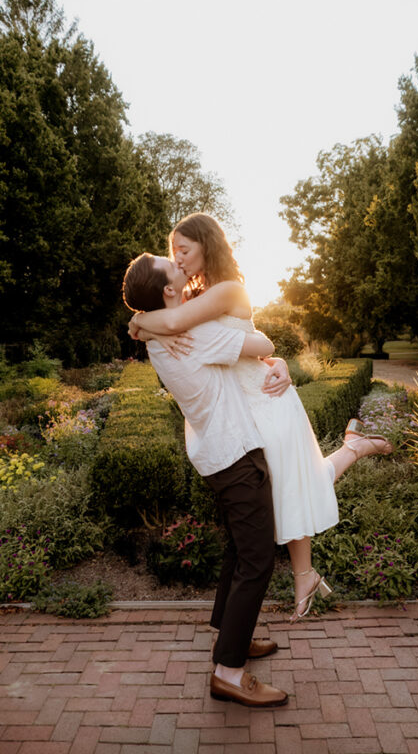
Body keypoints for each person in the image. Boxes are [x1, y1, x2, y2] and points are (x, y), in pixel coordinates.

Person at [128, 213, 392, 622]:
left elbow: (184, 325)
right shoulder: (198, 293)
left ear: (206, 246)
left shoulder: (227, 289)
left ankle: (308, 562)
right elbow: (199, 330)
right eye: (173, 252)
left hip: (265, 400)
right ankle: (307, 567)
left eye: (184, 250)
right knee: (291, 486)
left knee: (290, 487)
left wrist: (141, 321)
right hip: (245, 406)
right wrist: (147, 324)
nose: (177, 259)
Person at [122, 252, 287, 708]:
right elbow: (261, 342)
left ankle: (230, 638)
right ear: (169, 292)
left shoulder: (163, 332)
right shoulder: (195, 332)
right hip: (235, 454)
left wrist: (143, 324)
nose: (176, 259)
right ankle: (229, 673)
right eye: (168, 264)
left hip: (215, 454)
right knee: (258, 559)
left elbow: (141, 321)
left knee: (239, 548)